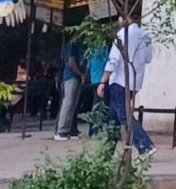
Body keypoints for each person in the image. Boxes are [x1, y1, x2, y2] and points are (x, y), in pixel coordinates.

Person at [101, 16, 155, 154]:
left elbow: (113, 60)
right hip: (134, 82)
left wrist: (103, 81)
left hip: (119, 80)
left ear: (127, 17)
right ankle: (107, 151)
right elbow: (148, 58)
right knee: (114, 115)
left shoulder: (122, 34)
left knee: (124, 115)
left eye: (120, 18)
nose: (118, 21)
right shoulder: (145, 35)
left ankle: (145, 145)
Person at [55, 39, 92, 138]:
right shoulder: (72, 45)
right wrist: (80, 74)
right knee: (68, 103)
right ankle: (61, 130)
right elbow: (71, 62)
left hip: (76, 77)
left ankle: (68, 129)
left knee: (73, 104)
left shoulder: (79, 45)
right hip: (71, 76)